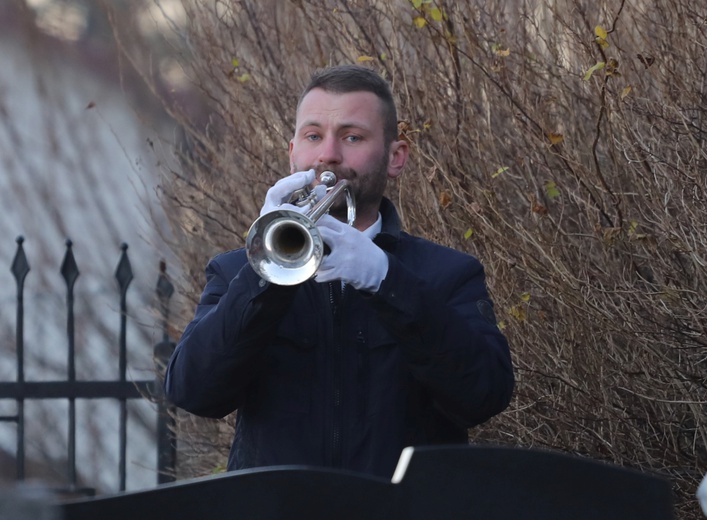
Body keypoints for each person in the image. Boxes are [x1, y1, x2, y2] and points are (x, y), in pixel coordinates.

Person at [164, 64, 514, 479]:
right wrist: (265, 274)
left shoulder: (449, 274)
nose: (328, 154)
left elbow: (483, 395)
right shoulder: (235, 271)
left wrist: (387, 281)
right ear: (293, 152)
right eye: (313, 136)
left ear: (396, 157)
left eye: (352, 137)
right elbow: (193, 391)